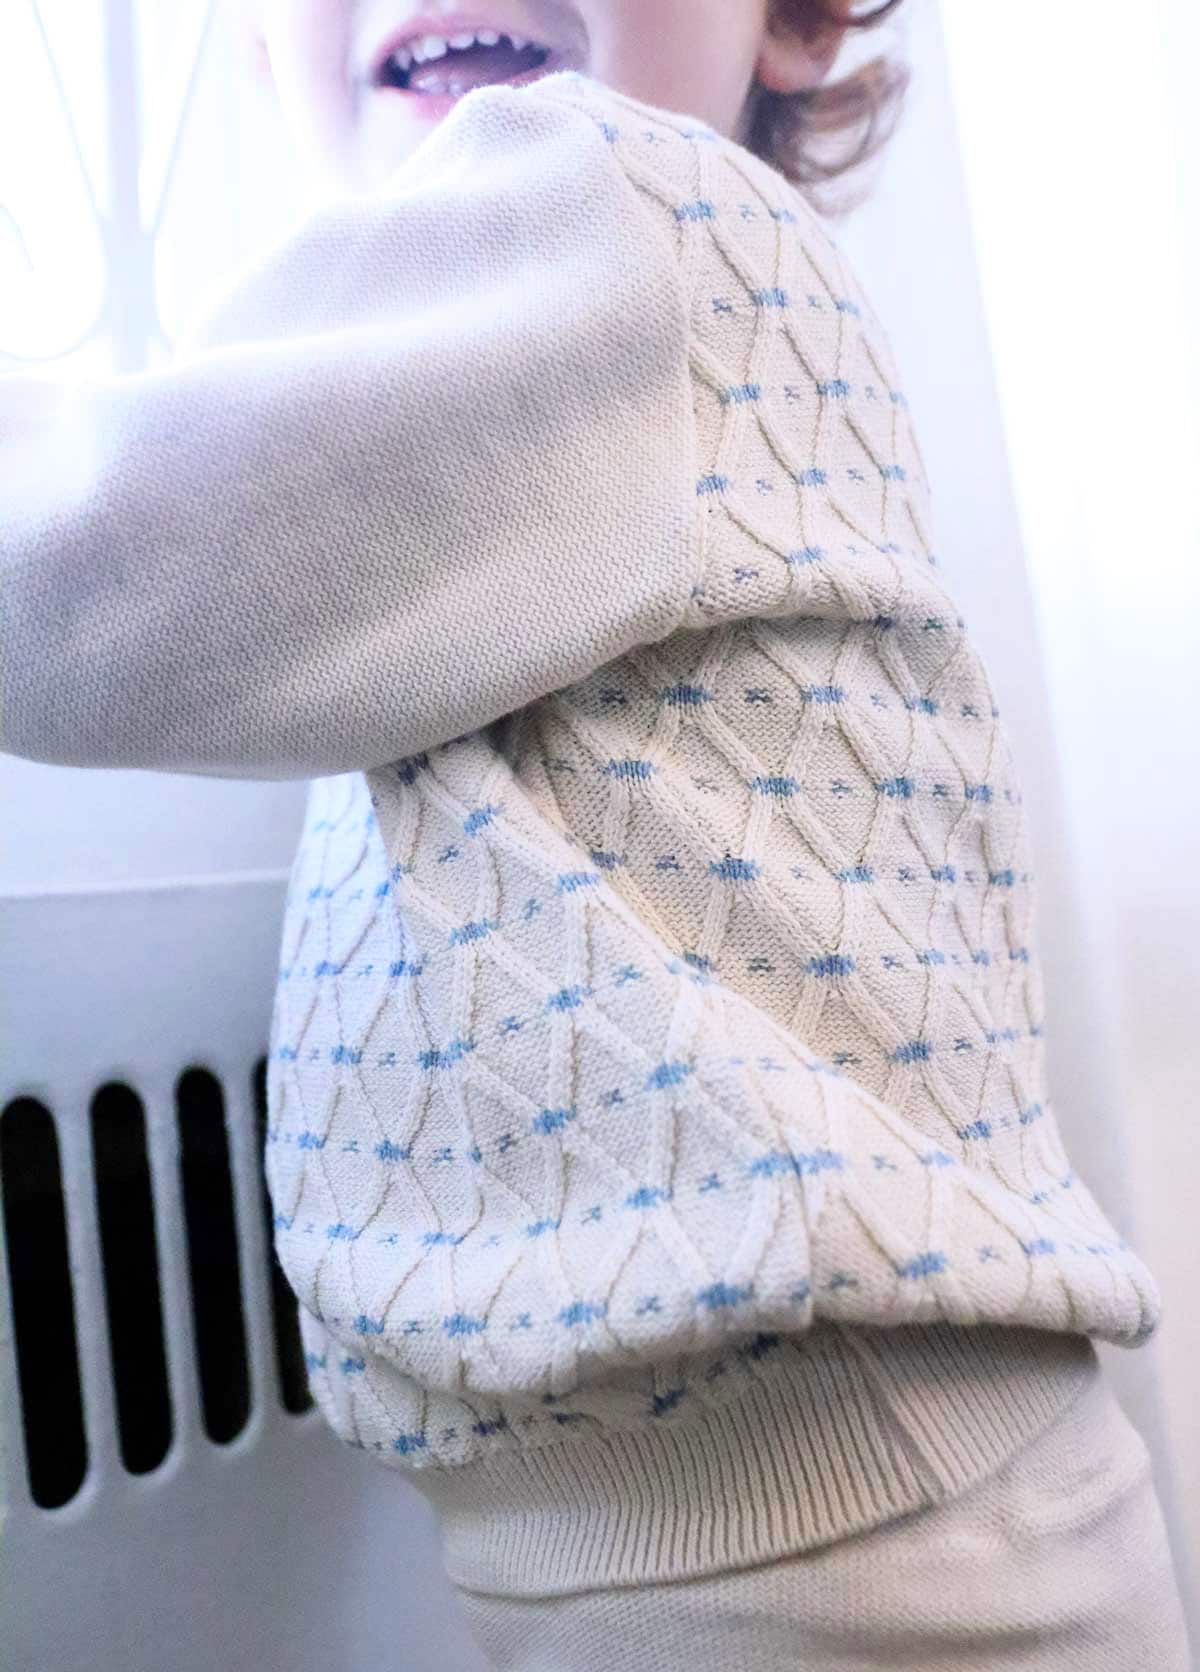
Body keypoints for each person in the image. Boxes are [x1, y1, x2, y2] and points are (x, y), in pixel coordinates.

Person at [1, 3, 1190, 1666]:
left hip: (842, 1546)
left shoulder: (623, 204)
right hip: (793, 1521)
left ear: (792, 22)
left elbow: (91, 561)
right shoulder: (586, 338)